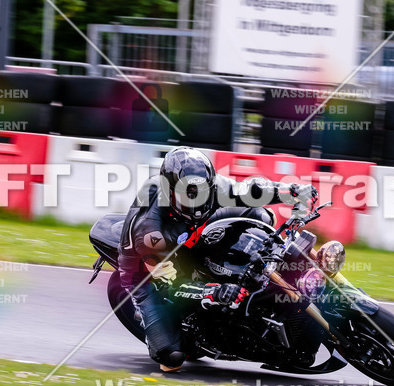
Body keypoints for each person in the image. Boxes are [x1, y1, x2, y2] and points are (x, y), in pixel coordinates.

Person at [117, 147, 317, 372]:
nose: (196, 203)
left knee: (261, 215)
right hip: (149, 270)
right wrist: (212, 292)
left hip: (191, 233)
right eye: (188, 195)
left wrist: (293, 191)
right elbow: (171, 285)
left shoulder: (214, 188)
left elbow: (252, 190)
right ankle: (157, 322)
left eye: (202, 193)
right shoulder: (150, 232)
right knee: (171, 359)